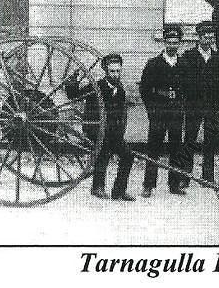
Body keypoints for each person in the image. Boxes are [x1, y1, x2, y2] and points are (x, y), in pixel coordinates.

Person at [65, 53, 135, 201]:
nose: (115, 75)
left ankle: (119, 191)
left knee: (128, 155)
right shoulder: (96, 87)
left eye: (118, 71)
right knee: (103, 151)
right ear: (106, 71)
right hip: (95, 130)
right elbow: (74, 95)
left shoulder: (120, 90)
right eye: (112, 71)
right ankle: (97, 187)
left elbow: (121, 115)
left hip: (113, 132)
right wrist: (72, 81)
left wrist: (119, 134)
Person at [139, 24, 188, 197]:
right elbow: (144, 89)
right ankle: (148, 185)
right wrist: (152, 110)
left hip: (175, 112)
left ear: (179, 43)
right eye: (169, 42)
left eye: (176, 42)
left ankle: (174, 184)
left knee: (176, 148)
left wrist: (182, 107)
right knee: (154, 148)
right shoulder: (154, 64)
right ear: (164, 42)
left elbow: (188, 90)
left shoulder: (183, 64)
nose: (172, 45)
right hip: (158, 112)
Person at [182, 21, 219, 183]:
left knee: (210, 141)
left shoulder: (218, 58)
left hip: (212, 106)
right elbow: (184, 81)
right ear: (199, 37)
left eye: (211, 37)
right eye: (206, 36)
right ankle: (185, 176)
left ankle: (208, 176)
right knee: (190, 139)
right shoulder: (189, 56)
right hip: (193, 104)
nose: (209, 39)